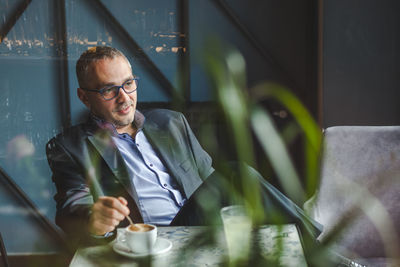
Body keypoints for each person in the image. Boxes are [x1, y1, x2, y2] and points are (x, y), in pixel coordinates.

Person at [46, 46, 321, 247]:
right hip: (151, 238)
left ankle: (318, 251)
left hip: (202, 229)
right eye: (109, 90)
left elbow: (210, 182)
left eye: (129, 84)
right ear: (84, 97)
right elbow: (72, 209)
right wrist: (95, 221)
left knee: (237, 179)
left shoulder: (171, 122)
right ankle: (325, 253)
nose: (125, 98)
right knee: (238, 172)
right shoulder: (69, 146)